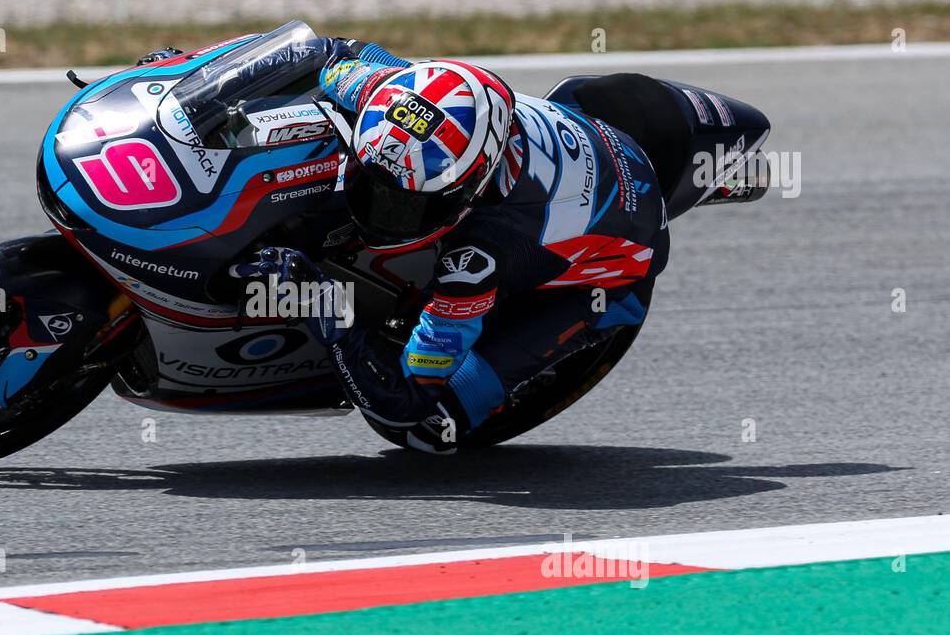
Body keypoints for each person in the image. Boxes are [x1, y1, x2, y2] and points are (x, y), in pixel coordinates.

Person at [234, 39, 681, 453]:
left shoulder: (479, 259)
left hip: (614, 270)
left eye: (406, 206)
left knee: (427, 429)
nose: (381, 215)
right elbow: (325, 53)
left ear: (472, 189)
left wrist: (323, 305)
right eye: (375, 190)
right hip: (585, 145)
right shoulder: (390, 93)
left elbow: (405, 402)